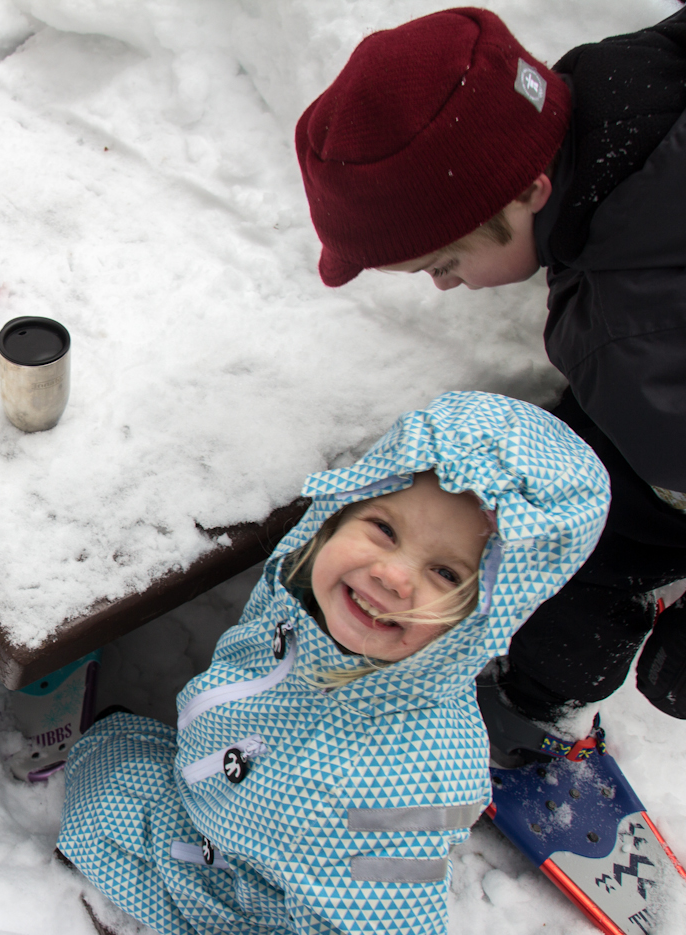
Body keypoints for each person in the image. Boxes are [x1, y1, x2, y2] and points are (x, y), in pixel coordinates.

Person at [57, 392, 609, 935]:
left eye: (445, 572)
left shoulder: (390, 792)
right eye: (384, 528)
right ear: (343, 508)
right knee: (110, 757)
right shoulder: (304, 592)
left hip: (263, 901)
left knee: (95, 815)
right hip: (237, 796)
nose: (393, 575)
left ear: (486, 617)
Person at [294, 6, 686, 761]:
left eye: (444, 264)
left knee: (595, 558)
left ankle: (532, 713)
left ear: (532, 189)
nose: (444, 286)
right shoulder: (625, 89)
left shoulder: (635, 340)